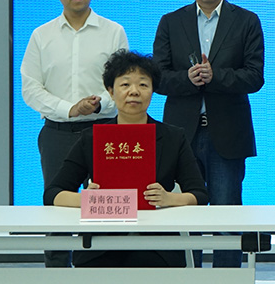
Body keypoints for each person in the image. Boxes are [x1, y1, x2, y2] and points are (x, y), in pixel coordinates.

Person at [153, 0, 264, 269]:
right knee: (183, 213)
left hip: (227, 135)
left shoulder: (246, 21)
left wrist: (217, 77)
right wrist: (187, 79)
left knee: (226, 216)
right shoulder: (171, 22)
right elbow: (157, 78)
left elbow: (255, 76)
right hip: (181, 136)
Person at [44, 50, 209, 267]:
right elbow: (53, 193)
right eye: (125, 84)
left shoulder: (173, 137)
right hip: (100, 245)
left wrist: (169, 199)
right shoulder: (92, 138)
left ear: (152, 91)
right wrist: (87, 200)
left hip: (157, 245)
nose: (134, 91)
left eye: (143, 84)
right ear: (110, 92)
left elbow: (199, 194)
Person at [20, 0, 128, 268]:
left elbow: (123, 83)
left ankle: (102, 274)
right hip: (58, 134)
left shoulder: (113, 31)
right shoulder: (41, 36)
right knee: (58, 208)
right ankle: (57, 278)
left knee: (106, 209)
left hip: (104, 131)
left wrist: (98, 104)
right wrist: (70, 109)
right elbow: (31, 88)